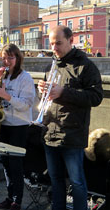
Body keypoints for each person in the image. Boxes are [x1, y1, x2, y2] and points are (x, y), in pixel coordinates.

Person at [37, 25, 103, 210]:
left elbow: (96, 97)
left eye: (58, 43)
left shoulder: (85, 66)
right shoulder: (52, 65)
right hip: (50, 132)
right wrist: (43, 91)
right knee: (55, 180)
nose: (54, 48)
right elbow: (49, 97)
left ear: (71, 40)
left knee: (77, 182)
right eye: (51, 44)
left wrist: (63, 92)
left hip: (72, 134)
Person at [0, 44, 36, 210]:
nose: (7, 61)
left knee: (16, 165)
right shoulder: (2, 75)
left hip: (19, 126)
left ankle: (17, 201)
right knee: (6, 164)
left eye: (10, 57)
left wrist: (7, 96)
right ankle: (10, 197)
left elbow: (26, 104)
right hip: (4, 125)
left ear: (18, 58)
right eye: (4, 57)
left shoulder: (25, 78)